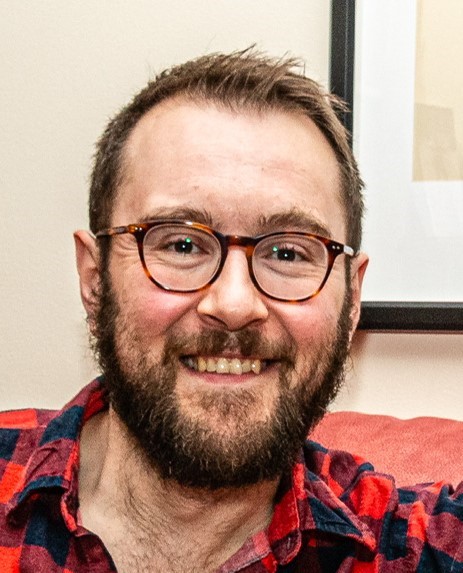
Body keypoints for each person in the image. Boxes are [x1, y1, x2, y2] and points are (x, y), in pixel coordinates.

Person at [0, 48, 461, 573]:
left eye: (288, 253)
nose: (235, 304)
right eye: (181, 245)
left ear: (352, 299)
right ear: (94, 278)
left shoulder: (409, 550)